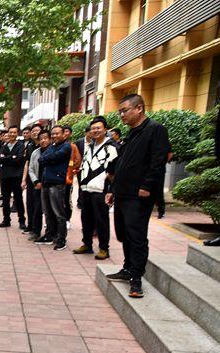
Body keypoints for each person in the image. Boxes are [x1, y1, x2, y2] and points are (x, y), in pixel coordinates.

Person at [106, 93, 170, 298]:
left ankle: (136, 277)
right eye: (120, 111)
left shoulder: (155, 130)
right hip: (122, 192)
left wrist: (147, 185)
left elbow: (158, 161)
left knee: (136, 235)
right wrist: (112, 189)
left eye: (124, 110)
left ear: (139, 108)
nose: (121, 115)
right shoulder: (131, 133)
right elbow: (122, 164)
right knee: (123, 233)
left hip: (139, 194)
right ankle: (127, 268)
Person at [74, 117, 118, 260]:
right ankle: (87, 244)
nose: (95, 131)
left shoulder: (111, 147)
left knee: (101, 220)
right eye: (93, 128)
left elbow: (113, 171)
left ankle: (104, 248)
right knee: (86, 218)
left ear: (105, 130)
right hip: (86, 188)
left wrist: (111, 190)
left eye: (98, 128)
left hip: (101, 190)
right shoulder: (90, 146)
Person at [37, 126, 71, 251]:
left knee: (59, 213)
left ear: (63, 134)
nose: (55, 136)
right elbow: (41, 159)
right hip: (46, 182)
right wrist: (50, 159)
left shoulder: (66, 146)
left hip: (57, 183)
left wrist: (49, 159)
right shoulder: (51, 146)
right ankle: (49, 235)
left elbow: (54, 157)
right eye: (53, 134)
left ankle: (61, 238)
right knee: (48, 212)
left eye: (57, 133)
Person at [0, 126, 26, 229]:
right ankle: (6, 219)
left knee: (18, 198)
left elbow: (19, 159)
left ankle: (22, 220)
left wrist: (5, 158)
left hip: (16, 176)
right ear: (8, 133)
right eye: (10, 132)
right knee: (5, 199)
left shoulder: (20, 145)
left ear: (17, 133)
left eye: (14, 132)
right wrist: (11, 157)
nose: (12, 134)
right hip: (5, 176)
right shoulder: (4, 145)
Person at [25, 130, 48, 240]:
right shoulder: (35, 152)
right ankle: (36, 231)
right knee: (37, 209)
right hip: (37, 185)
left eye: (45, 138)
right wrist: (36, 181)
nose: (43, 140)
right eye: (41, 139)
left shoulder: (53, 151)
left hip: (50, 185)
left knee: (50, 210)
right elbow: (31, 169)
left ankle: (51, 233)